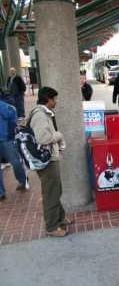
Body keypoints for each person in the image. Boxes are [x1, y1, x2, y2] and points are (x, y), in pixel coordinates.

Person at [29, 87, 72, 237]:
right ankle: (52, 226)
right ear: (48, 100)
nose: (56, 102)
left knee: (55, 190)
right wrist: (58, 135)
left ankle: (60, 218)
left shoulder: (43, 113)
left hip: (50, 158)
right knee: (50, 193)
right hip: (46, 161)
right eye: (54, 99)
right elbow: (43, 138)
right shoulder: (40, 115)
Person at [0, 99, 28, 201]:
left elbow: (11, 117)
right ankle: (1, 192)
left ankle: (23, 181)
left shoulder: (4, 105)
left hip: (6, 139)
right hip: (5, 138)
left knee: (15, 162)